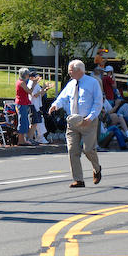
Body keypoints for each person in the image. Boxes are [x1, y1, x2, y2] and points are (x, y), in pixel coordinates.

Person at [49, 59, 103, 188]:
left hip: (88, 121)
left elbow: (98, 102)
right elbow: (63, 97)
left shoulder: (92, 83)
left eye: (71, 71)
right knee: (72, 150)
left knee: (88, 150)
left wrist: (90, 117)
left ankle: (97, 169)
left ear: (79, 70)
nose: (69, 74)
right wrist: (55, 105)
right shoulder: (71, 84)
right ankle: (78, 179)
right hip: (73, 121)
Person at [27, 70, 51, 145]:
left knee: (37, 123)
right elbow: (35, 95)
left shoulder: (36, 84)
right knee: (34, 123)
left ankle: (38, 138)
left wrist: (46, 89)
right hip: (33, 105)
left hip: (37, 105)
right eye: (35, 76)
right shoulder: (31, 84)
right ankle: (30, 138)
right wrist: (42, 88)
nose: (37, 77)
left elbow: (40, 95)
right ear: (31, 77)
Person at [15, 67, 34, 146]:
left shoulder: (19, 82)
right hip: (21, 103)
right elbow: (29, 91)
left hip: (22, 103)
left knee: (24, 121)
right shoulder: (22, 83)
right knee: (22, 121)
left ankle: (23, 140)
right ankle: (21, 140)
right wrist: (34, 83)